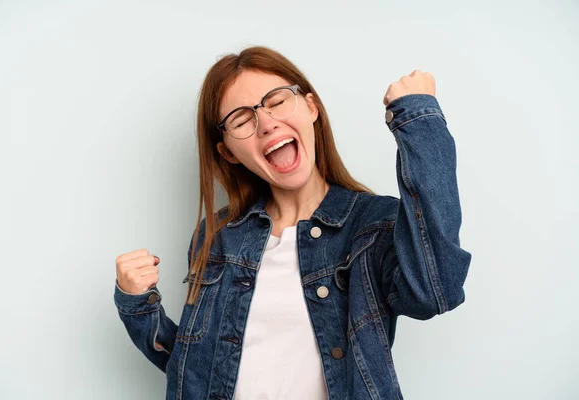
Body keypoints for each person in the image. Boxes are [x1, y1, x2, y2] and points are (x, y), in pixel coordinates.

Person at [113, 45, 472, 400]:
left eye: (278, 100)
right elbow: (197, 368)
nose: (266, 123)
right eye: (241, 119)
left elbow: (434, 291)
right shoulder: (217, 235)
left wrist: (418, 118)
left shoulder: (371, 224)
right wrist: (138, 308)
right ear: (227, 152)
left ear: (311, 107)